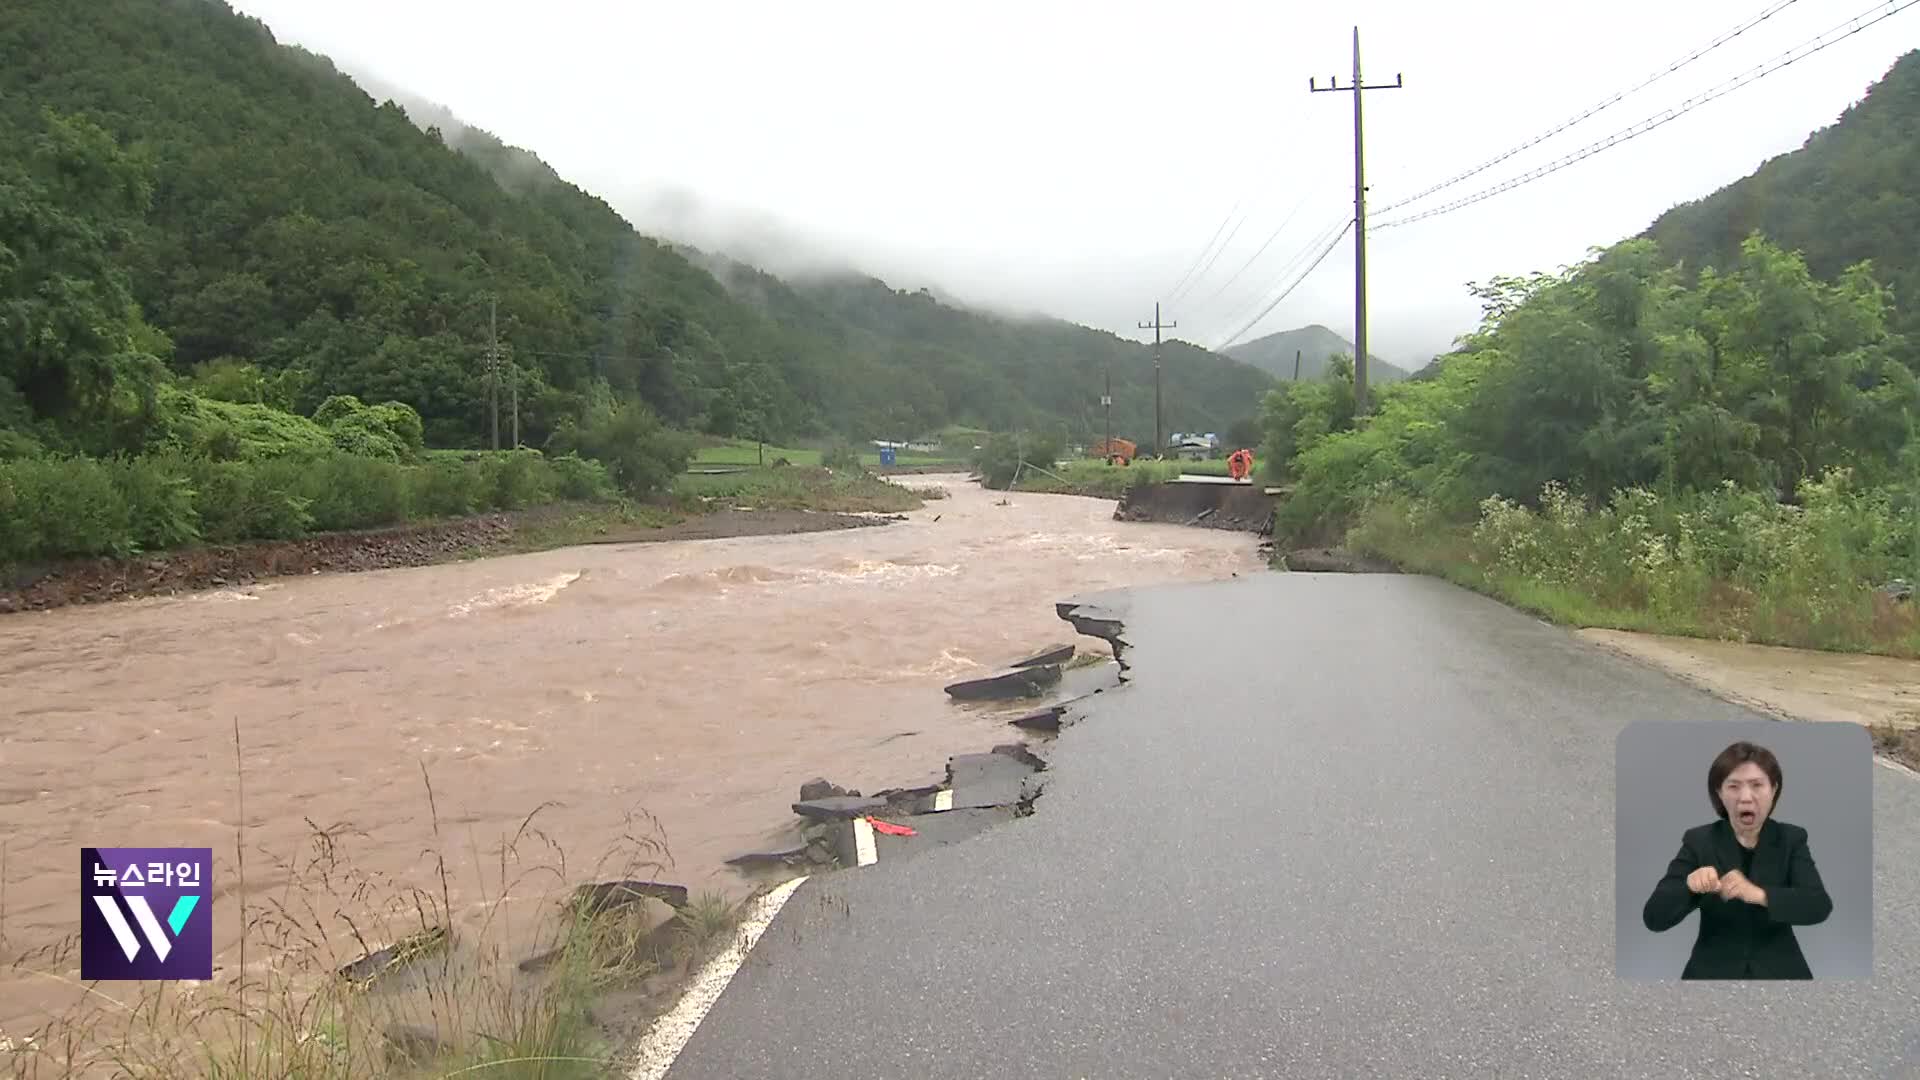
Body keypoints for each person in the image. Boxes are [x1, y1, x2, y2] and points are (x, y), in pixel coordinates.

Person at [1641, 740, 1833, 979]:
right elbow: (1654, 918)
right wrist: (1688, 886)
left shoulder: (1791, 839)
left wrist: (1757, 894)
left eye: (1757, 785)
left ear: (1773, 789)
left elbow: (1818, 906)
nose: (1745, 798)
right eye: (1733, 787)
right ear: (1719, 793)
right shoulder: (1699, 841)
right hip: (1711, 970)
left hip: (1781, 969)